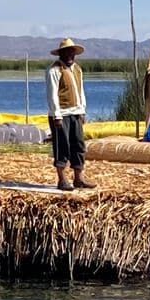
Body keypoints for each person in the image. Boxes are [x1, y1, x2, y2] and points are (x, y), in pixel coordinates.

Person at [46, 38, 96, 191]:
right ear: (61, 54)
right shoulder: (54, 70)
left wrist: (82, 111)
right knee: (62, 146)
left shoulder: (77, 70)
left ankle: (78, 178)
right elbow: (52, 94)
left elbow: (80, 92)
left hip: (76, 113)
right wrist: (57, 115)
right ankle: (62, 179)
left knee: (79, 145)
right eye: (66, 52)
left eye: (71, 52)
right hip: (61, 114)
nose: (69, 55)